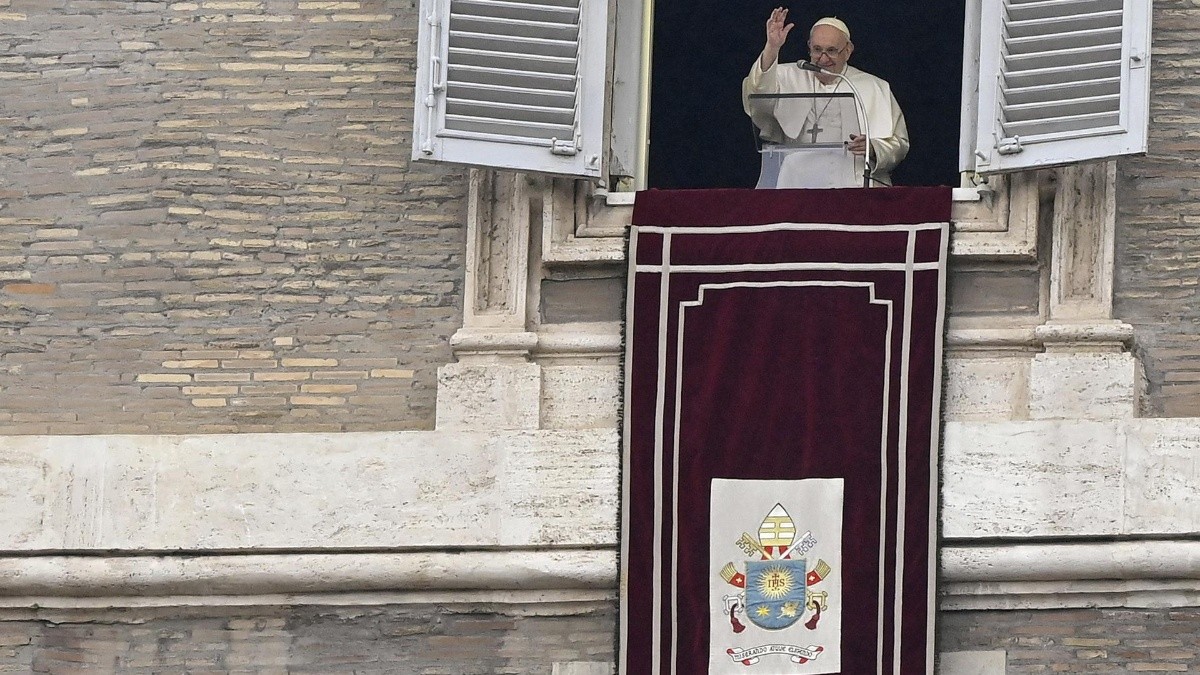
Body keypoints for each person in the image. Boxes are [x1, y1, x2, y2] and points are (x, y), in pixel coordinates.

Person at [742, 10, 909, 186]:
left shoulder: (874, 86)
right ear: (809, 47)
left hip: (855, 182)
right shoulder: (788, 75)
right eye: (817, 50)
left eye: (831, 51)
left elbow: (899, 143)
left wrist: (873, 149)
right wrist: (772, 47)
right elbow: (758, 95)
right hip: (797, 180)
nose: (823, 58)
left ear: (848, 51)